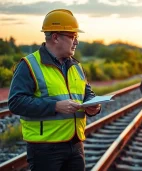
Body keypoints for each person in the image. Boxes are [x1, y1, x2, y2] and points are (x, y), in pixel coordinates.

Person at [8, 9, 101, 171]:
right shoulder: (29, 65)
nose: (77, 42)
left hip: (75, 145)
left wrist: (93, 107)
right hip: (45, 148)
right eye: (72, 37)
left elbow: (87, 93)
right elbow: (16, 103)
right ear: (56, 37)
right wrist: (55, 106)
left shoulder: (76, 66)